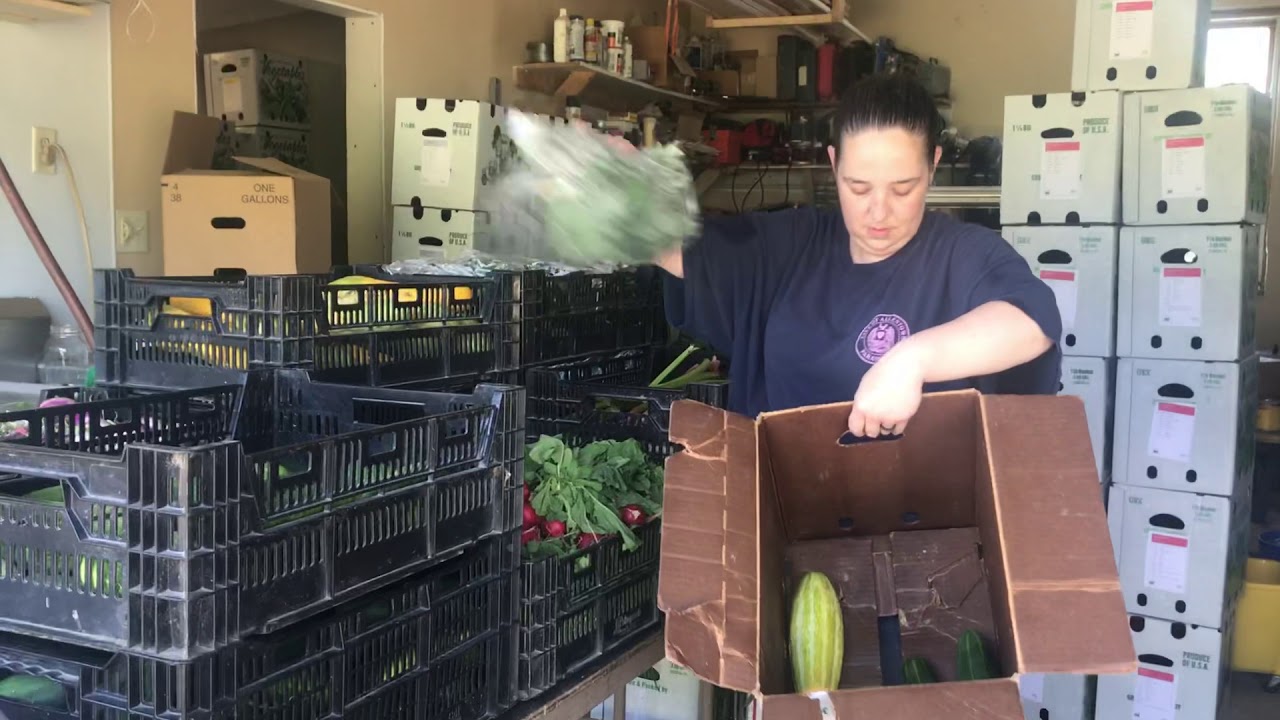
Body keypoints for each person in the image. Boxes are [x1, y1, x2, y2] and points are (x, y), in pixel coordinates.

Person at [654, 74, 1062, 438]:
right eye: (859, 187)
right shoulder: (789, 244)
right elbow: (671, 243)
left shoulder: (962, 254)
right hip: (780, 506)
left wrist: (912, 360)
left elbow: (1031, 321)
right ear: (834, 165)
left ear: (933, 165)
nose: (879, 212)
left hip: (923, 516)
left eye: (902, 188)